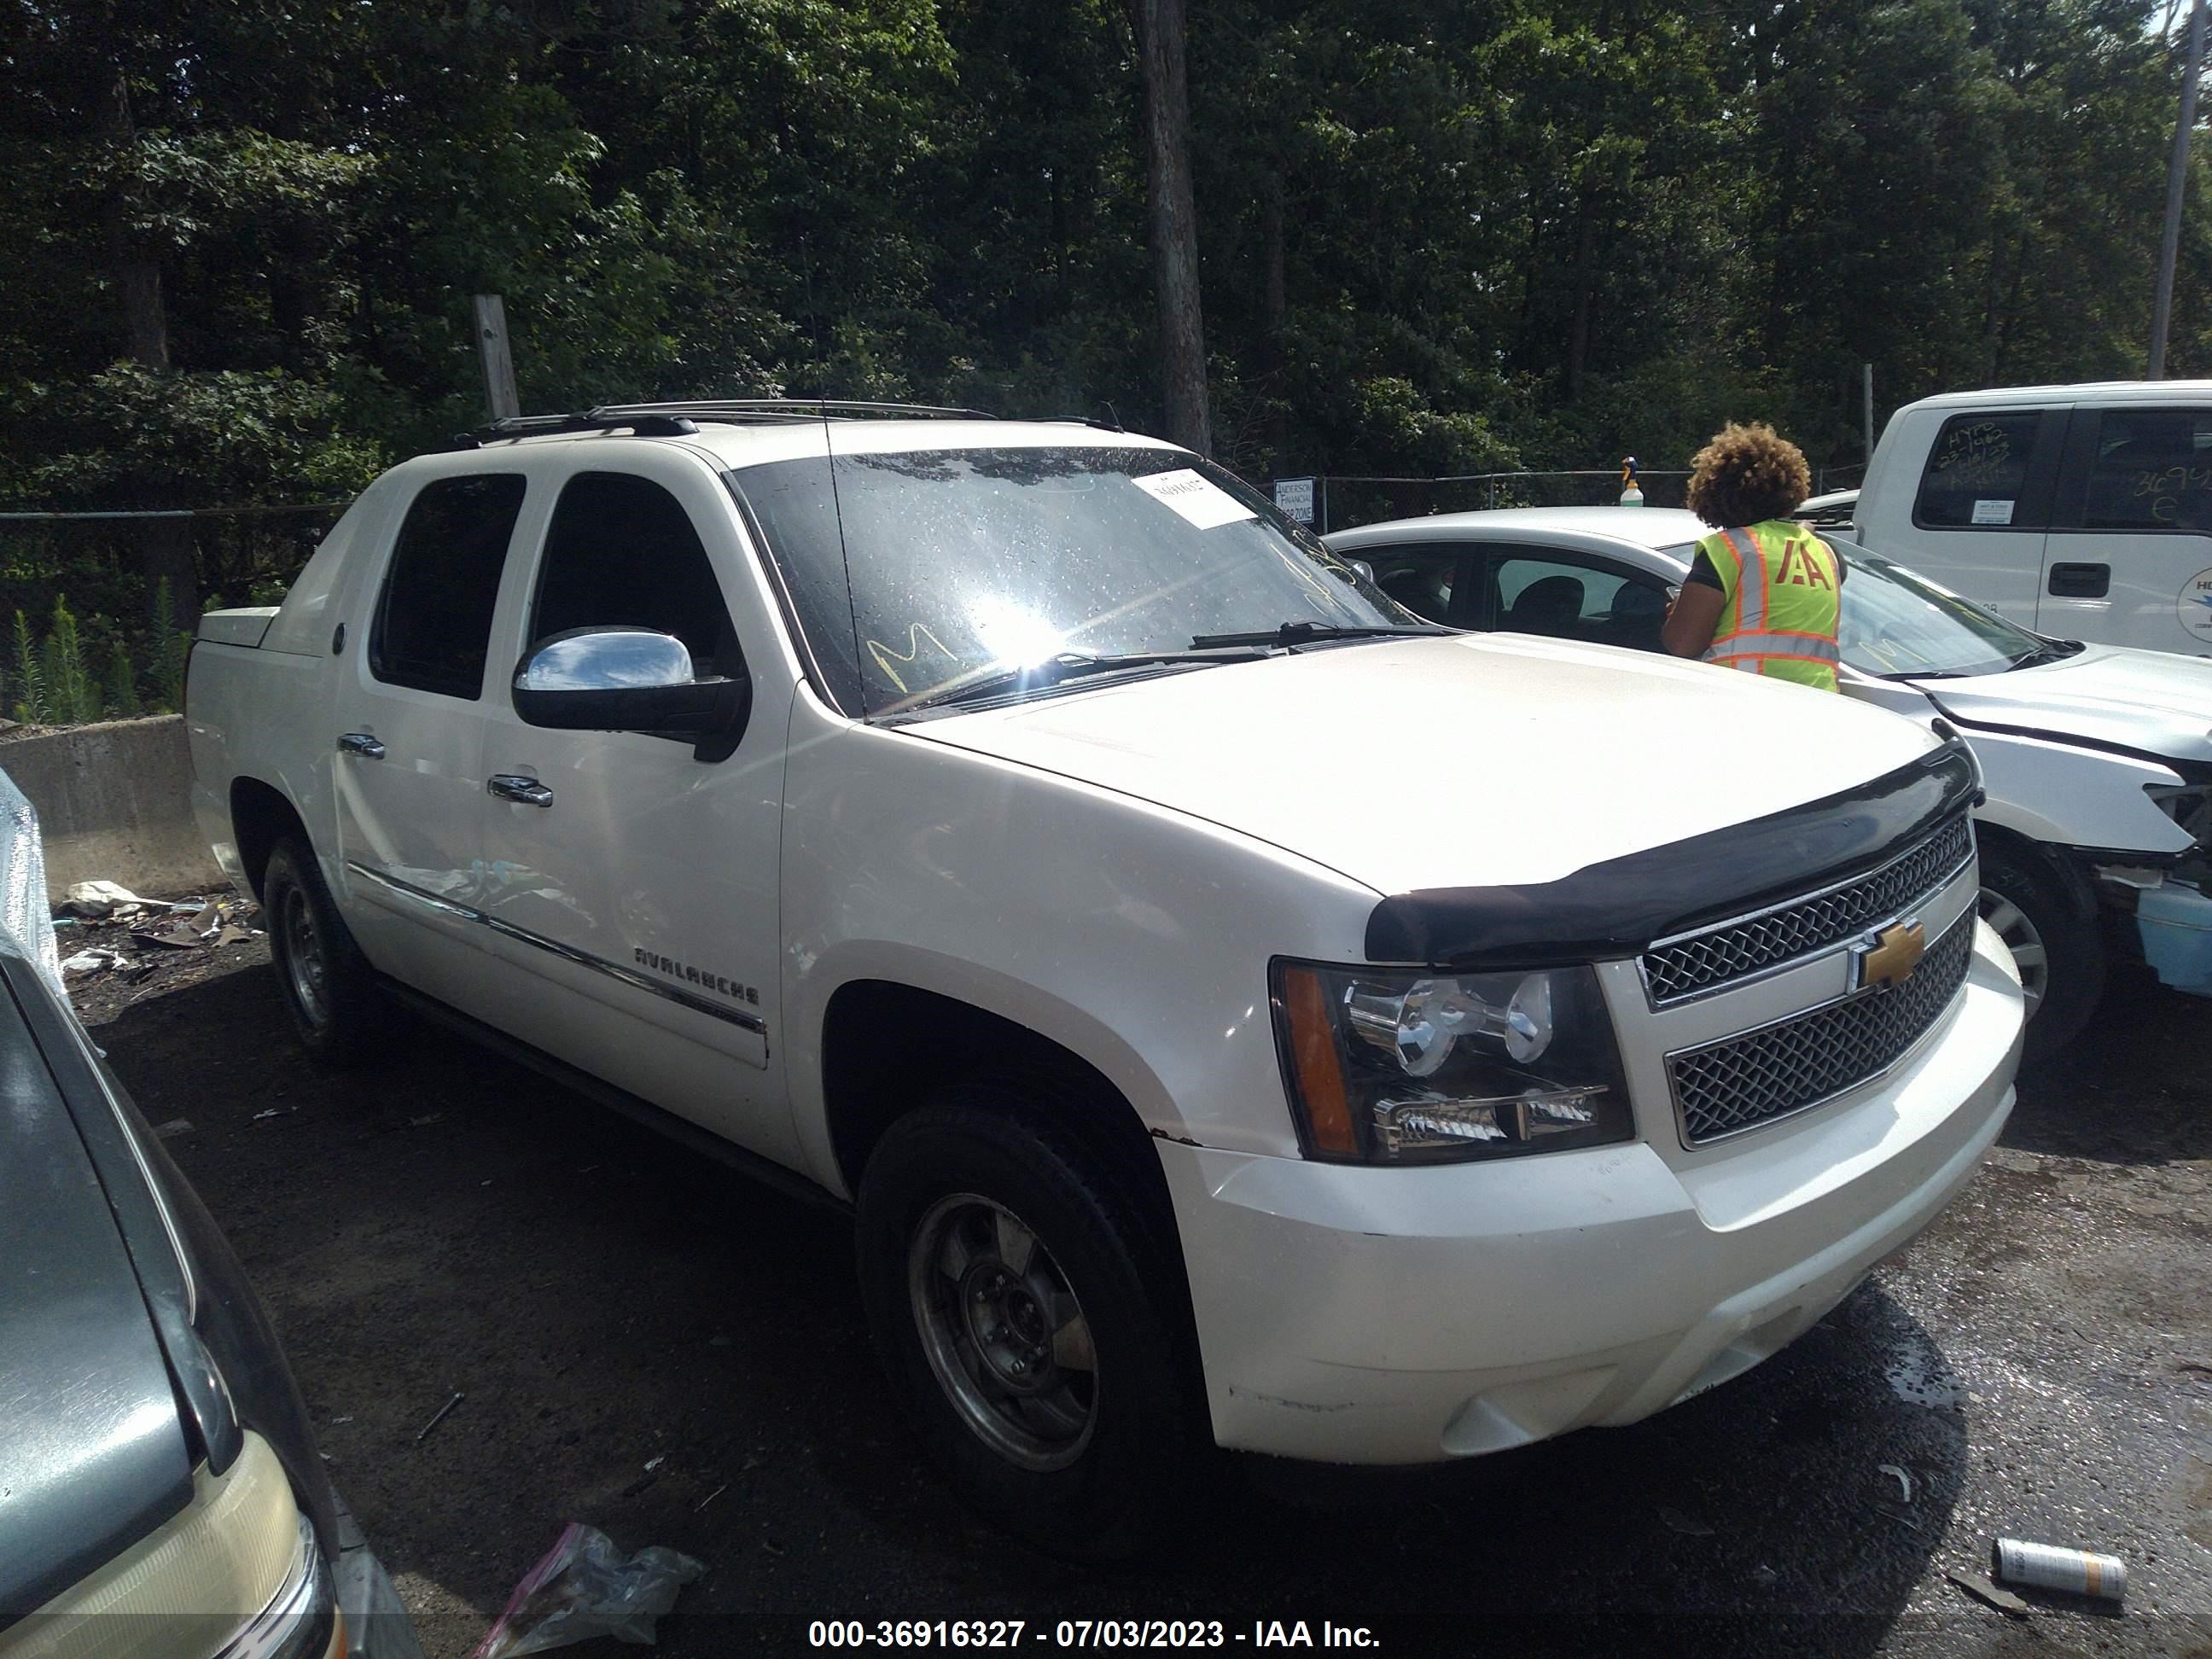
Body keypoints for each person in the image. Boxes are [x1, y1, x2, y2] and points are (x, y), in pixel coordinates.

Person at [1662, 422, 1844, 691]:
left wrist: (1677, 613)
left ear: (1714, 494)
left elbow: (1682, 643)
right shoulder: (1826, 554)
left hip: (1745, 701)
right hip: (1819, 703)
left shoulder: (1728, 549)